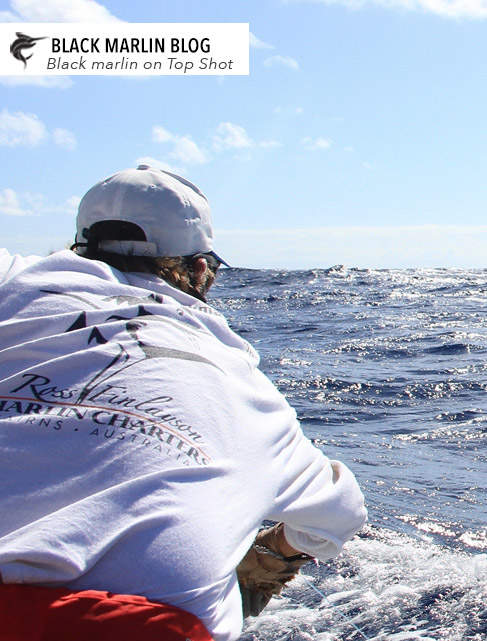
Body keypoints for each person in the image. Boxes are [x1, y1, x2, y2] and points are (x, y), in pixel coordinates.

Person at [0, 165, 368, 640]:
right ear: (201, 270)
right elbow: (344, 512)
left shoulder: (14, 285)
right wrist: (277, 548)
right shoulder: (249, 396)